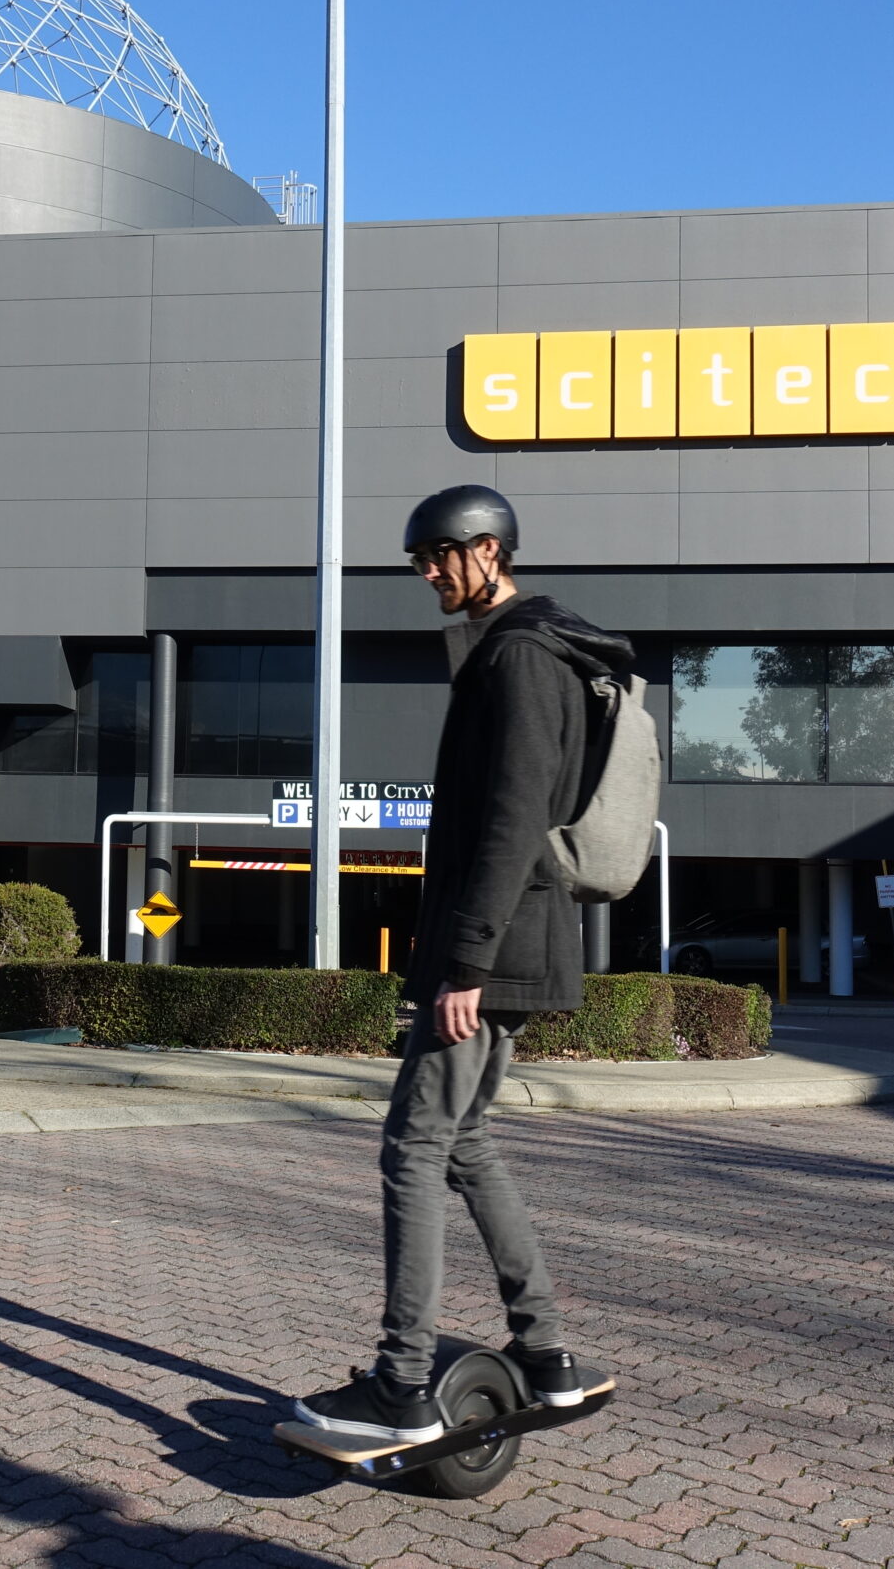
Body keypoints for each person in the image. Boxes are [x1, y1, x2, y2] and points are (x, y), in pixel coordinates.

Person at [295, 484, 631, 1442]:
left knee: (413, 1145)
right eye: (421, 560)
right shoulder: (521, 651)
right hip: (508, 941)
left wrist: (465, 965)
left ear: (490, 551)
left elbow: (512, 819)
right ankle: (549, 1356)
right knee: (466, 1140)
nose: (429, 573)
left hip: (494, 947)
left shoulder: (522, 657)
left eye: (440, 555)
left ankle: (401, 1384)